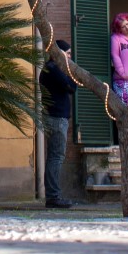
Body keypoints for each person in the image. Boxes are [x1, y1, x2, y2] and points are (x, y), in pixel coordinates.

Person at [38, 39, 78, 208]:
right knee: (56, 157)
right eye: (67, 54)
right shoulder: (54, 69)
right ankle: (53, 196)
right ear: (59, 53)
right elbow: (71, 87)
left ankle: (52, 195)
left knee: (53, 156)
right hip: (56, 118)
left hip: (54, 117)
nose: (69, 57)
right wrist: (70, 72)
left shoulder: (49, 69)